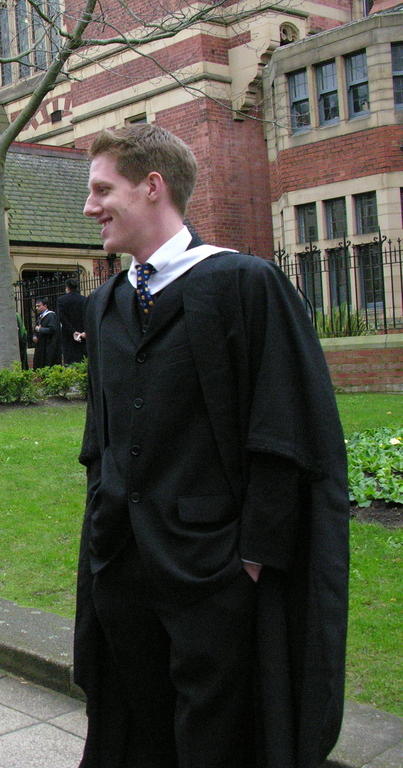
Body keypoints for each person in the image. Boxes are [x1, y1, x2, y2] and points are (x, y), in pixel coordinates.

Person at [75, 123, 349, 768]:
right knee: (137, 726)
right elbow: (100, 439)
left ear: (152, 186)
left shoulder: (245, 285)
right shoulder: (107, 302)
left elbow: (285, 428)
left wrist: (253, 556)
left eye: (102, 190)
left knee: (218, 735)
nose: (89, 208)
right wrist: (102, 530)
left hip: (213, 568)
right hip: (123, 564)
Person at [56, 278, 87, 365]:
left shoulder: (61, 300)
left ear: (67, 288)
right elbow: (89, 316)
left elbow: (62, 317)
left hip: (68, 336)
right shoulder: (85, 299)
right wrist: (85, 331)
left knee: (70, 363)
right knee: (83, 362)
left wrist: (73, 331)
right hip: (83, 336)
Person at [31, 299, 62, 368]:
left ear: (45, 306)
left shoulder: (51, 316)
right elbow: (36, 329)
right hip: (41, 346)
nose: (36, 308)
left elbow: (52, 329)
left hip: (49, 345)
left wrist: (40, 329)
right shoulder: (40, 317)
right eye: (36, 306)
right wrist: (34, 336)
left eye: (39, 306)